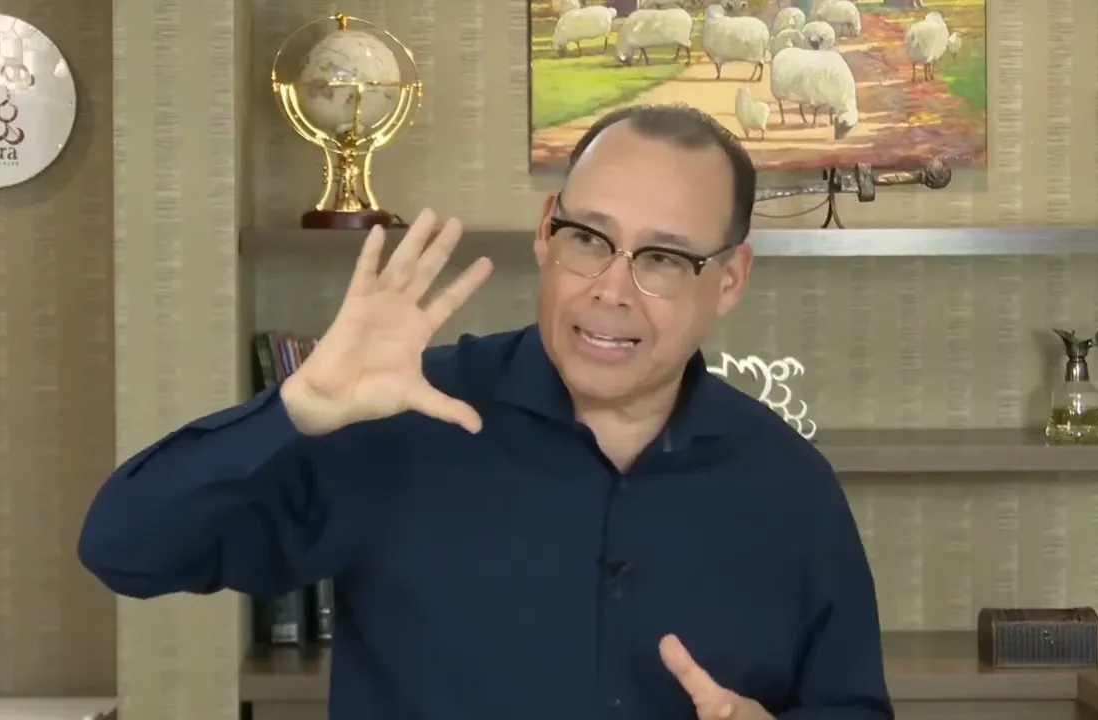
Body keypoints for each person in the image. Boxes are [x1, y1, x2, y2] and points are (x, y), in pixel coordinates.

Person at [79, 104, 892, 720]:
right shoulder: (401, 422)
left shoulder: (790, 487)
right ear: (546, 232)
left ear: (731, 279)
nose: (611, 289)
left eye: (665, 258)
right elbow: (125, 550)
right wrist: (293, 410)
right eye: (588, 239)